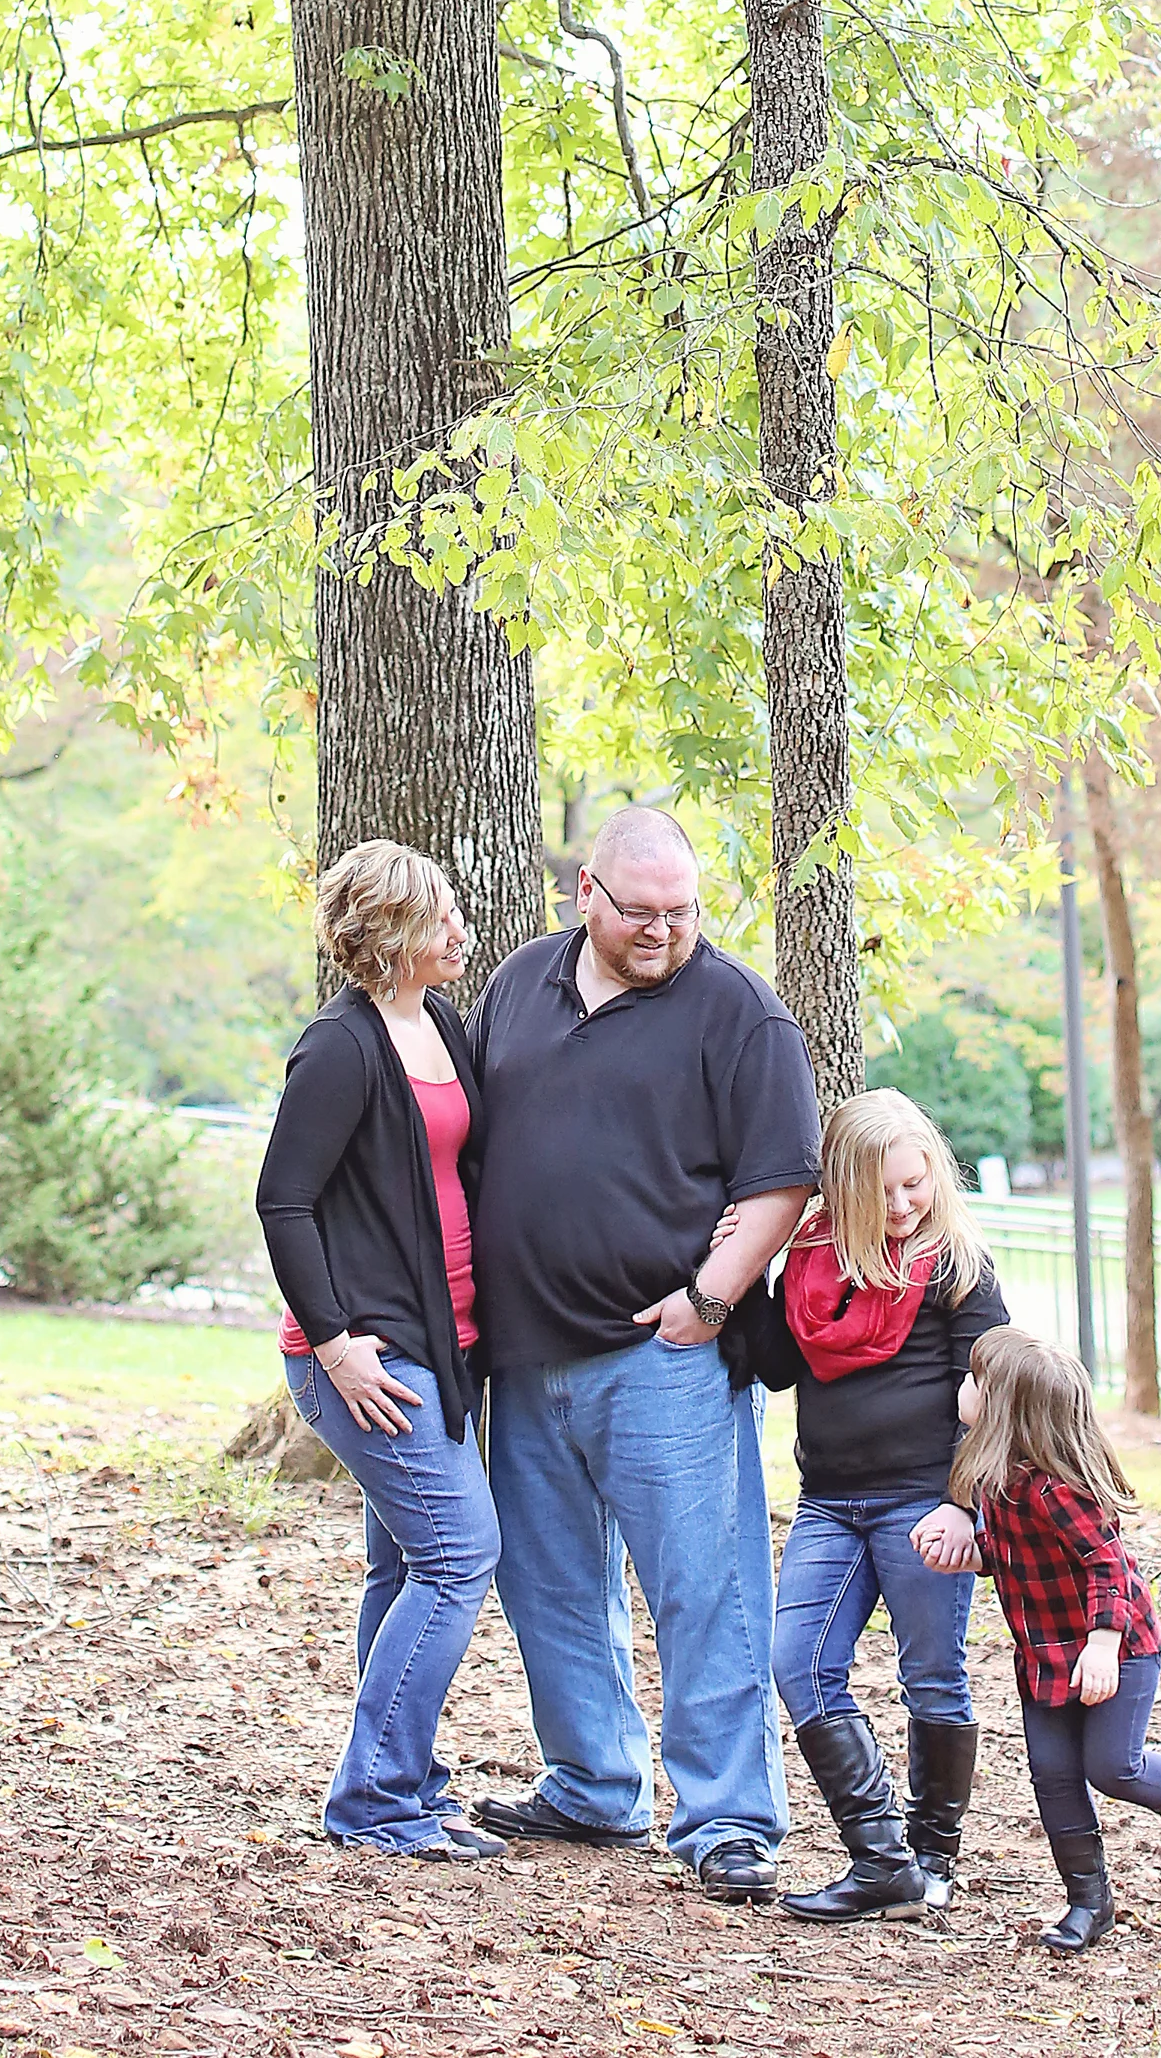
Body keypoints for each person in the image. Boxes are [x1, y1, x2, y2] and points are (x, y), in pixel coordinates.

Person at [464, 806, 823, 1904]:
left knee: (705, 1592)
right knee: (549, 1588)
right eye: (640, 911)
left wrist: (707, 1302)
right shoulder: (518, 985)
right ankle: (593, 1783)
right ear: (587, 892)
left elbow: (782, 1180)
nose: (663, 930)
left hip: (664, 1359)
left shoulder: (740, 1013)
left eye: (682, 910)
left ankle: (730, 1819)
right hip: (525, 1358)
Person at [257, 841, 502, 1861]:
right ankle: (373, 1797)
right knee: (459, 1554)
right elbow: (283, 1201)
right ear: (394, 930)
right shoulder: (339, 1047)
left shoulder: (438, 1022)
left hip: (442, 1343)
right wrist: (334, 1344)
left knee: (403, 1566)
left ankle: (405, 1783)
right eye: (440, 915)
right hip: (367, 1353)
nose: (459, 929)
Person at [730, 1089, 1010, 1922]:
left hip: (925, 1502)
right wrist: (744, 1277)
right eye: (881, 1190)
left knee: (932, 1675)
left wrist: (963, 1505)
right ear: (844, 1188)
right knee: (799, 1663)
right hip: (830, 1501)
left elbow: (992, 1400)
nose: (900, 1204)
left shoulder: (957, 1263)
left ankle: (933, 1857)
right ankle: (881, 1858)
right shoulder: (814, 1255)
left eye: (914, 1184)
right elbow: (779, 1367)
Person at [948, 1324, 1161, 1950]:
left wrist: (1102, 1644)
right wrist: (972, 1554)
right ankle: (1089, 1901)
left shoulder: (1057, 1490)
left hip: (1118, 1648)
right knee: (1052, 1775)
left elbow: (1107, 1564)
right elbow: (1018, 1556)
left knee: (1113, 1767)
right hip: (1046, 1654)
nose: (961, 1386)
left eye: (974, 1380)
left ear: (1003, 1409)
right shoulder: (994, 1475)